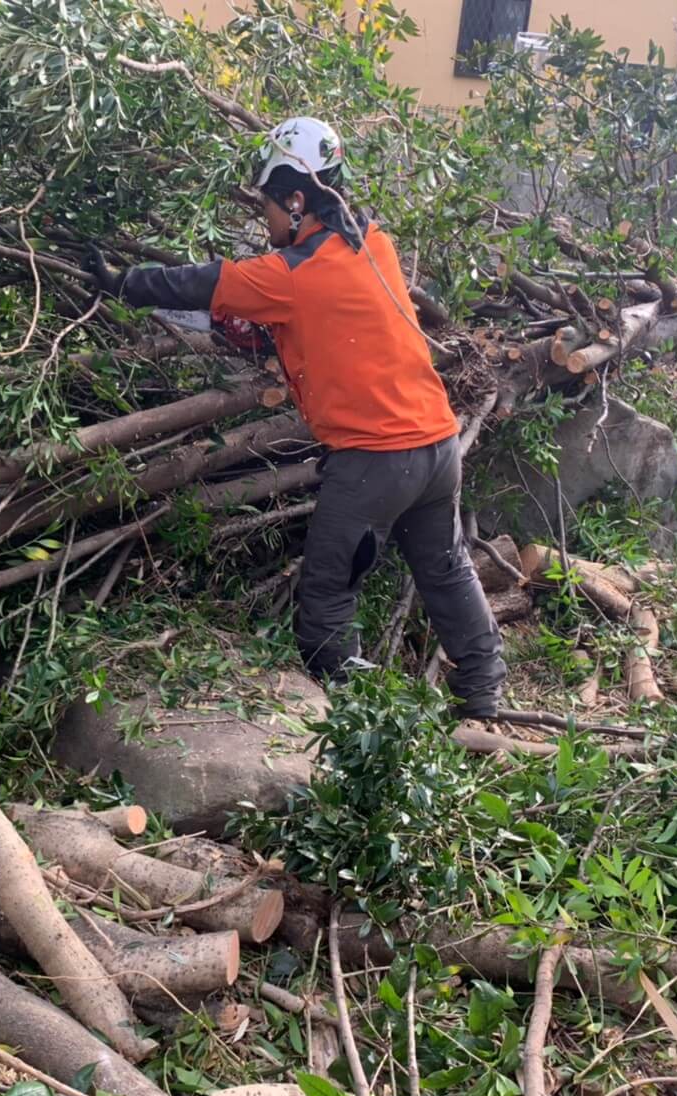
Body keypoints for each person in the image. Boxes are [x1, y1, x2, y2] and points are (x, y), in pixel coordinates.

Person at [86, 117, 505, 719]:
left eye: (269, 208)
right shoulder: (376, 245)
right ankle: (482, 696)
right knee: (445, 568)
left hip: (374, 463)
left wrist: (123, 283)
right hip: (438, 449)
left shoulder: (291, 275)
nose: (267, 222)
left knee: (328, 596)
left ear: (298, 200)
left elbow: (207, 282)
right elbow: (342, 329)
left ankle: (358, 725)